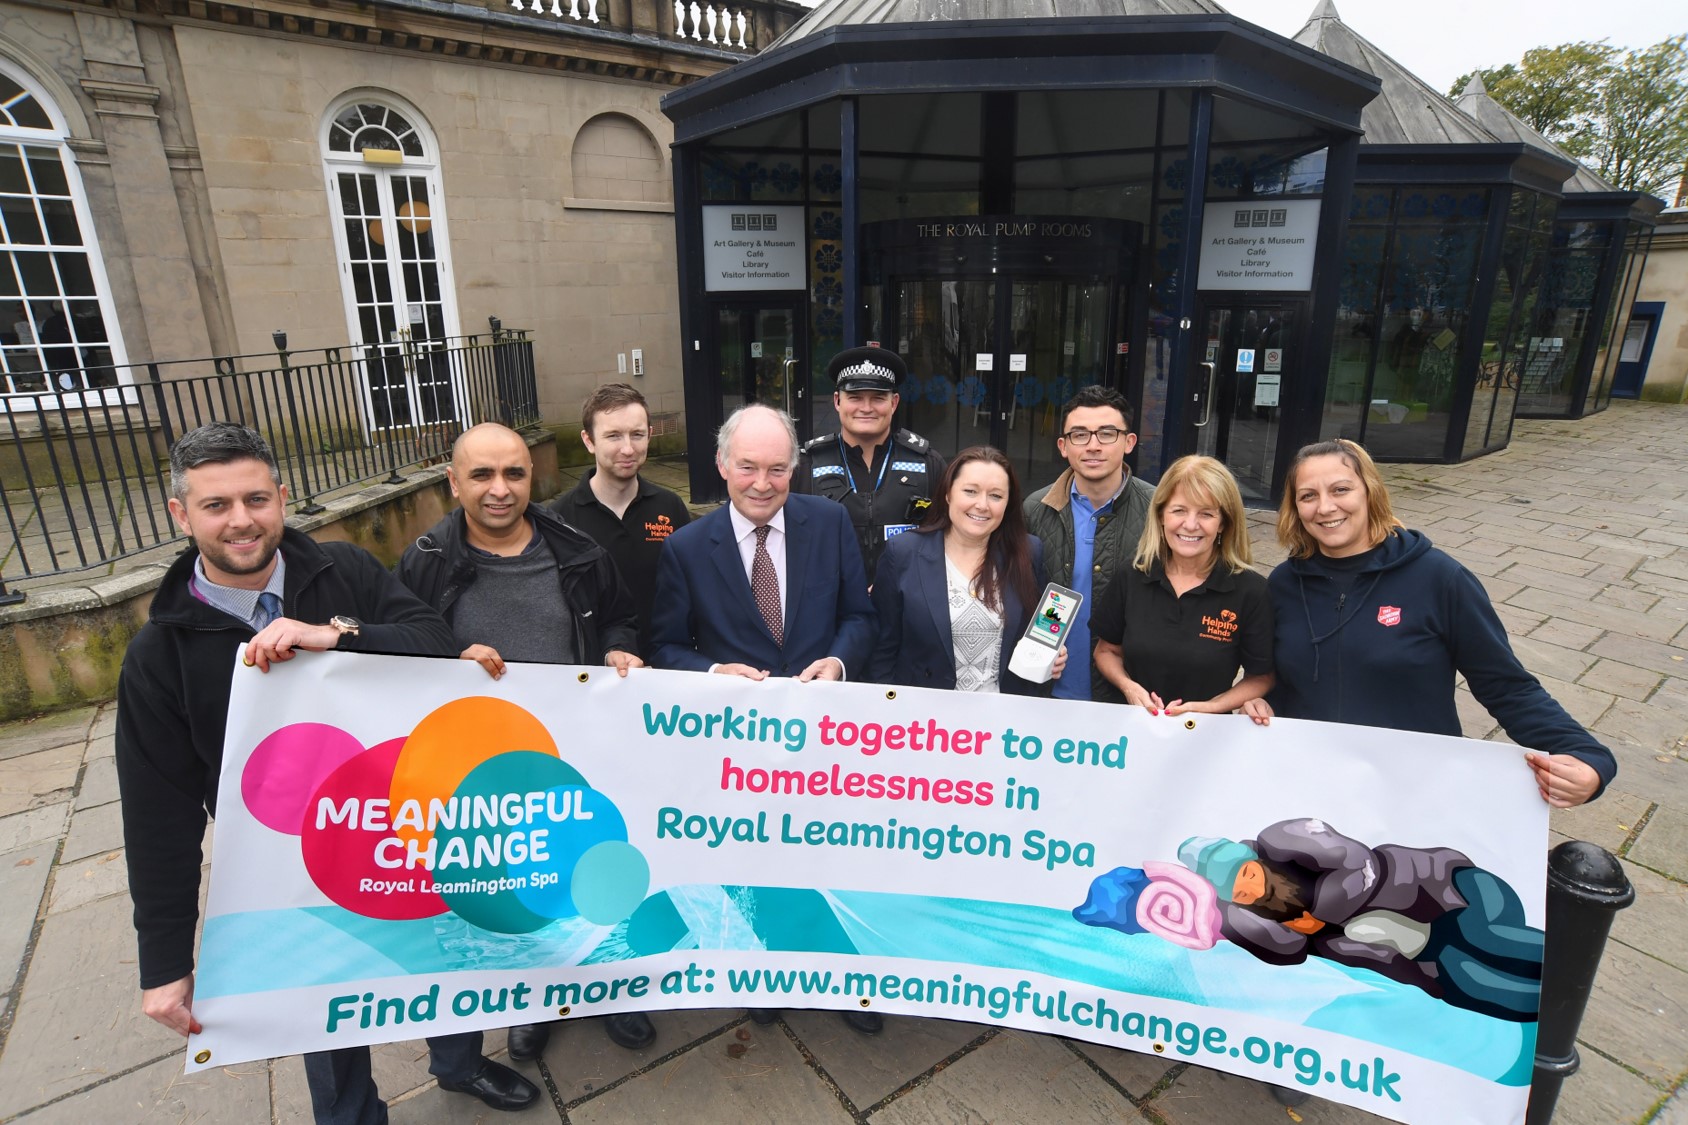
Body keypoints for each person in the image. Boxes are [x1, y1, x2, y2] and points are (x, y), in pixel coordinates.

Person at [115, 423, 539, 1124]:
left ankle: (461, 1064)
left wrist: (338, 636)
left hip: (406, 820)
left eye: (256, 497)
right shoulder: (159, 653)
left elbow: (433, 640)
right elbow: (157, 817)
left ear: (283, 497)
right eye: (216, 505)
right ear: (180, 514)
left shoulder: (343, 571)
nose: (242, 519)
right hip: (292, 860)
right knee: (325, 1000)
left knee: (444, 949)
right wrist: (163, 961)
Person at [1253, 437, 1618, 1103]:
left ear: (1369, 490)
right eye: (1309, 495)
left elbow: (1507, 687)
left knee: (1396, 934)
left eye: (1340, 489)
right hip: (1314, 798)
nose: (1325, 506)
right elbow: (1276, 680)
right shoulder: (1284, 583)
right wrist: (1252, 699)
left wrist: (1590, 760)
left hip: (1410, 801)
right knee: (1315, 927)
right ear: (1293, 507)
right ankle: (1307, 1051)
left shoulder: (1438, 579)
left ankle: (1397, 1060)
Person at [395, 422, 648, 1062]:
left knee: (590, 874)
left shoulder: (578, 549)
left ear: (531, 478)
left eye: (513, 473)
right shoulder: (424, 562)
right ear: (453, 483)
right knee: (514, 887)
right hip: (482, 767)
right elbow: (392, 646)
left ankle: (606, 990)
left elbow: (621, 612)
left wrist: (621, 646)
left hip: (576, 753)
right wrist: (449, 653)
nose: (500, 489)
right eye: (481, 475)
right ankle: (533, 1003)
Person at [649, 402, 880, 1034]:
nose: (762, 483)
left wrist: (836, 662)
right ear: (722, 465)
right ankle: (764, 974)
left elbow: (860, 620)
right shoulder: (688, 549)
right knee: (755, 866)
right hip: (737, 757)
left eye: (777, 469)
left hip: (825, 745)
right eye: (747, 466)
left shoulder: (829, 524)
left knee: (826, 859)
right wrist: (711, 674)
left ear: (795, 468)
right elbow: (664, 646)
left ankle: (837, 979)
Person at [869, 446, 1066, 694]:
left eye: (996, 496)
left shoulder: (1029, 552)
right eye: (970, 491)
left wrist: (1051, 656)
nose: (982, 505)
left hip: (1004, 720)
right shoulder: (904, 552)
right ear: (948, 494)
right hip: (924, 721)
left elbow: (1039, 630)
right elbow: (881, 649)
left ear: (1008, 504)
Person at [1091, 455, 1273, 721]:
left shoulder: (1251, 591)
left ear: (1223, 522)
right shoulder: (1132, 574)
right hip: (1131, 731)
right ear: (1162, 515)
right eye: (1179, 510)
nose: (1190, 524)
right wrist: (1128, 687)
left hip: (1207, 736)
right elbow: (1106, 651)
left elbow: (1262, 676)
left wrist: (1210, 707)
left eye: (1206, 513)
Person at [1023, 385, 1155, 704]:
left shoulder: (1158, 511)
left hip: (1128, 696)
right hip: (1047, 692)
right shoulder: (1035, 509)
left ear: (1129, 442)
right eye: (1080, 435)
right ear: (1063, 446)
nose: (1093, 446)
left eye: (1107, 433)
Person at [551, 383, 692, 657]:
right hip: (595, 671)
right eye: (613, 436)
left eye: (637, 434)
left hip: (665, 666)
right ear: (588, 440)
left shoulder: (670, 507)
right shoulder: (561, 518)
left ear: (650, 435)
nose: (628, 449)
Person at [795, 345, 946, 583]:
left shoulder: (928, 463)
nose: (866, 408)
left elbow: (949, 537)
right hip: (833, 608)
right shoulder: (806, 465)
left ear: (894, 402)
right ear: (837, 401)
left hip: (905, 606)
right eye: (855, 397)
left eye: (878, 398)